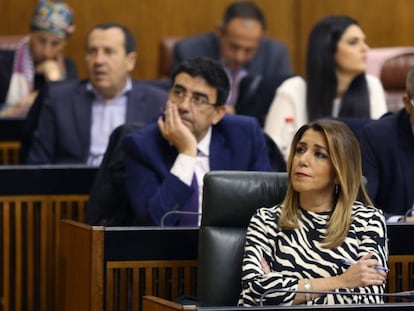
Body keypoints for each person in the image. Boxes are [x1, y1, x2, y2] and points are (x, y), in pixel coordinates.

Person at [239, 119, 388, 306]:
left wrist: (282, 291)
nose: (303, 160)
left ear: (338, 172)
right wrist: (342, 281)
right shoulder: (266, 220)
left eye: (319, 154)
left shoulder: (367, 220)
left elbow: (368, 299)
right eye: (300, 150)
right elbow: (255, 292)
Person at [123, 57, 273, 226]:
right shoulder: (142, 145)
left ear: (218, 113)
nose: (184, 106)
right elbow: (155, 222)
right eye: (178, 93)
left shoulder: (245, 136)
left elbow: (266, 210)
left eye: (198, 99)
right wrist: (187, 153)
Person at [26, 22, 167, 165]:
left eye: (109, 51)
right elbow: (38, 166)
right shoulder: (58, 99)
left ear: (130, 61)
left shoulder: (157, 102)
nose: (99, 60)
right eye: (92, 52)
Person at [264, 15, 387, 161]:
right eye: (353, 43)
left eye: (364, 41)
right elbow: (272, 153)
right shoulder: (293, 89)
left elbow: (381, 146)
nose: (365, 48)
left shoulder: (372, 85)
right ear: (328, 49)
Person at [171, 1, 292, 125]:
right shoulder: (189, 50)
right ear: (219, 31)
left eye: (249, 50)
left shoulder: (275, 55)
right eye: (234, 47)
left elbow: (283, 104)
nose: (240, 57)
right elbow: (177, 98)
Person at [0, 0, 77, 117]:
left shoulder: (68, 68)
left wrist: (54, 79)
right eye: (41, 41)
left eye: (55, 44)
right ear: (31, 35)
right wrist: (18, 108)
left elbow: (69, 115)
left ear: (64, 44)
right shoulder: (4, 63)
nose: (46, 51)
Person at [360, 67, 414, 222]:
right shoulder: (377, 137)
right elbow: (363, 209)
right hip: (399, 241)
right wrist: (404, 222)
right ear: (408, 104)